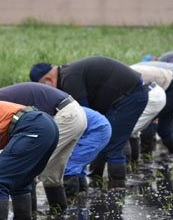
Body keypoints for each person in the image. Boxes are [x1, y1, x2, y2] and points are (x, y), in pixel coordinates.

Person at [0, 82, 86, 212]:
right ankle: (58, 215)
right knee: (51, 173)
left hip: (65, 116)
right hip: (73, 113)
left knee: (29, 166)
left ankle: (35, 215)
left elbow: (15, 144)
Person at [30, 56, 149, 184]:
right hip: (123, 96)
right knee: (104, 141)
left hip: (131, 96)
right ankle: (96, 181)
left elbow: (83, 117)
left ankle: (117, 189)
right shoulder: (67, 73)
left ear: (48, 80)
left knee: (113, 145)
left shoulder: (69, 78)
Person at [130, 64, 173, 154]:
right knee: (164, 129)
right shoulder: (127, 72)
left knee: (147, 119)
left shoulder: (129, 76)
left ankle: (146, 154)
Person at [63, 107, 112, 196]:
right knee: (78, 165)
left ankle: (69, 200)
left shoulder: (60, 114)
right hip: (95, 127)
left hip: (96, 130)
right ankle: (82, 194)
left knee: (70, 164)